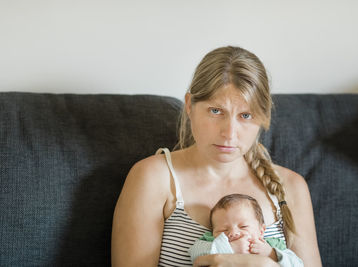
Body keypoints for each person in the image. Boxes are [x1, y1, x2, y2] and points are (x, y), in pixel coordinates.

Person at [111, 46, 322, 266]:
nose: (229, 134)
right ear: (190, 105)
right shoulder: (153, 177)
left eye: (245, 115)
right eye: (215, 111)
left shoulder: (290, 186)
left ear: (263, 116)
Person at [188, 194, 303, 267]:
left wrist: (272, 254)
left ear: (261, 230)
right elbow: (194, 253)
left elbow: (298, 265)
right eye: (223, 230)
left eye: (243, 227)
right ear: (213, 232)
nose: (233, 233)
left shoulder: (272, 245)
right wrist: (229, 248)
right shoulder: (211, 241)